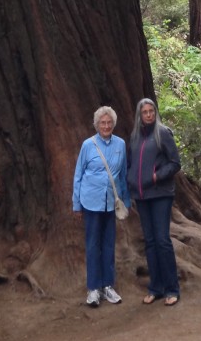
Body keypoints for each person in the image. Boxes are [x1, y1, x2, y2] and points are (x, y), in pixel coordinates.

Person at [72, 105, 130, 307]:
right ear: (96, 125)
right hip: (90, 202)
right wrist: (76, 204)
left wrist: (126, 201)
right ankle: (93, 289)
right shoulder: (88, 145)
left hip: (110, 204)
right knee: (92, 245)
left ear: (113, 124)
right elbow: (78, 175)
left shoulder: (120, 144)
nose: (106, 126)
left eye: (109, 122)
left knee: (108, 244)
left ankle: (108, 286)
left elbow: (122, 175)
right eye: (102, 123)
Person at [127, 97, 181, 307]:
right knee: (149, 242)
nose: (148, 115)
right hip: (142, 196)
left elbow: (175, 163)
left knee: (162, 240)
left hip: (160, 194)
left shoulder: (163, 133)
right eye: (144, 112)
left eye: (151, 111)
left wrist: (158, 176)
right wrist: (130, 181)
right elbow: (131, 163)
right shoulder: (134, 137)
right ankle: (155, 287)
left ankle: (172, 288)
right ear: (139, 115)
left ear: (155, 113)